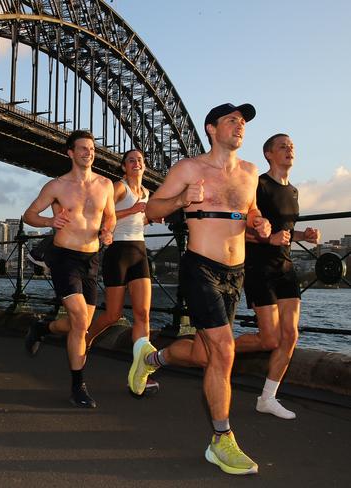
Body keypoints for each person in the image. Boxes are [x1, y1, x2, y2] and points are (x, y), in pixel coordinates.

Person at [138, 103, 271, 475]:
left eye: (243, 121)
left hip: (236, 272)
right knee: (224, 352)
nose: (240, 125)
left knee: (202, 353)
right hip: (201, 269)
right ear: (212, 129)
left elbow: (252, 211)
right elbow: (152, 210)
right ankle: (221, 439)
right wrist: (182, 200)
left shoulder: (249, 172)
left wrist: (260, 224)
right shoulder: (189, 168)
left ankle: (151, 359)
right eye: (232, 120)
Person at [23, 130, 116, 408]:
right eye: (83, 148)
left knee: (82, 325)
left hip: (91, 259)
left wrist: (107, 232)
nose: (89, 152)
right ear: (71, 153)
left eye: (92, 148)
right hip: (64, 257)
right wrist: (50, 223)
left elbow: (109, 216)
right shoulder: (57, 186)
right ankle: (78, 387)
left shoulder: (105, 185)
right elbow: (29, 215)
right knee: (78, 318)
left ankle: (43, 327)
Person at [235, 134, 320, 419]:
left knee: (290, 335)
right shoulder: (257, 186)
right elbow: (237, 229)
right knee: (269, 339)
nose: (289, 150)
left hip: (285, 268)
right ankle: (218, 349)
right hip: (259, 269)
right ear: (268, 154)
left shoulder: (293, 191)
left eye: (292, 146)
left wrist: (303, 236)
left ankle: (267, 398)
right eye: (283, 146)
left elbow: (284, 232)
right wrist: (267, 240)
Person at [83, 148, 159, 395]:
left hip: (139, 251)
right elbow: (104, 213)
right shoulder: (119, 187)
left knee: (143, 314)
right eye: (131, 160)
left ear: (144, 166)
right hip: (118, 252)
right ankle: (85, 339)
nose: (136, 163)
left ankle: (142, 371)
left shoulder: (147, 193)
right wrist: (133, 210)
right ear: (124, 167)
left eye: (139, 160)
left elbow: (139, 218)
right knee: (113, 315)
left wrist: (148, 217)